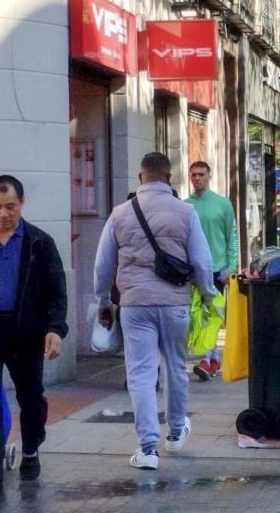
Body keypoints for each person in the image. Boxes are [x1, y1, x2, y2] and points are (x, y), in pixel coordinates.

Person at [93, 152, 217, 471]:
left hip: (135, 305)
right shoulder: (185, 212)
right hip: (175, 303)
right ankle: (175, 432)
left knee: (141, 374)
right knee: (175, 368)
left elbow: (103, 264)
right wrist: (207, 295)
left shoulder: (120, 213)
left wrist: (103, 300)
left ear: (141, 177)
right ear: (168, 177)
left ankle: (148, 448)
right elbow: (202, 262)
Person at [0, 175, 68, 502]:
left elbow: (56, 291)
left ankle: (30, 448)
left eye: (10, 207)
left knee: (31, 399)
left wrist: (55, 329)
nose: (3, 214)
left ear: (21, 204)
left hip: (26, 334)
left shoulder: (39, 242)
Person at [185, 161, 238, 382]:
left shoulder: (223, 204)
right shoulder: (185, 206)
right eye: (193, 175)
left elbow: (232, 237)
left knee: (212, 316)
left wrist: (231, 267)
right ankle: (212, 359)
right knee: (196, 316)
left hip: (217, 270)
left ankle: (206, 360)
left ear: (209, 176)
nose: (197, 178)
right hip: (192, 271)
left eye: (201, 174)